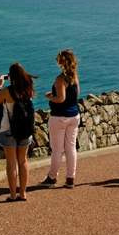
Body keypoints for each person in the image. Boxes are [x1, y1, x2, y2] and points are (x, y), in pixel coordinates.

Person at [0, 63, 36, 201]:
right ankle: (23, 193)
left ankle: (12, 195)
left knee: (11, 163)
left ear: (10, 76)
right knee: (23, 161)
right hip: (25, 129)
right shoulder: (28, 88)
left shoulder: (7, 91)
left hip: (8, 130)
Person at [42, 49, 80, 188]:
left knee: (57, 149)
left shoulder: (60, 79)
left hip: (59, 117)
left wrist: (50, 97)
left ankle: (52, 178)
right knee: (71, 147)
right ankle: (70, 178)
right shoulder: (74, 76)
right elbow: (76, 93)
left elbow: (61, 98)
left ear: (61, 62)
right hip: (74, 116)